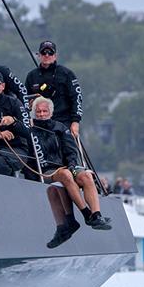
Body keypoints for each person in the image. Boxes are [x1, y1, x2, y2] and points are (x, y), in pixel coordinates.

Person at [29, 96, 111, 245]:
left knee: (85, 175)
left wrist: (73, 166)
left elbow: (72, 151)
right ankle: (87, 215)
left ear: (51, 113)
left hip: (67, 167)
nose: (41, 114)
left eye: (44, 111)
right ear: (34, 113)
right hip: (46, 170)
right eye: (38, 111)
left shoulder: (60, 128)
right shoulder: (30, 131)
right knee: (64, 175)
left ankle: (97, 215)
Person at [25, 40, 82, 137]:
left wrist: (75, 122)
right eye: (44, 52)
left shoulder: (67, 74)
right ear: (39, 55)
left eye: (50, 52)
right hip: (40, 122)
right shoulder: (31, 76)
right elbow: (24, 99)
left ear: (55, 56)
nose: (47, 55)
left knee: (68, 149)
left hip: (63, 121)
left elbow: (76, 98)